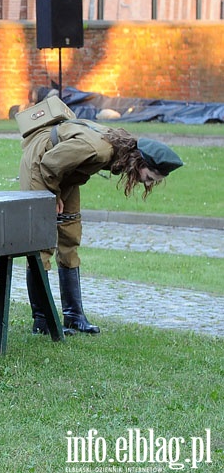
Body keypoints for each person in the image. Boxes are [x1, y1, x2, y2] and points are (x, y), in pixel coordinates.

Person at [20, 120, 183, 335]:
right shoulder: (99, 150)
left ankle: (74, 316)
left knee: (70, 233)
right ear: (139, 162)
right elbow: (50, 163)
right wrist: (55, 195)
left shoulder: (120, 150)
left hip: (65, 171)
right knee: (42, 243)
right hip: (41, 165)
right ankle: (42, 321)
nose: (148, 184)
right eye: (150, 178)